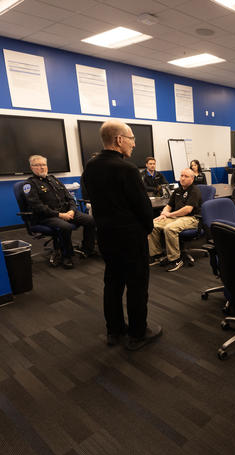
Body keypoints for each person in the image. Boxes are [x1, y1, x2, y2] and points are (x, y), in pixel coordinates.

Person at [81, 119, 161, 351]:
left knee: (112, 283)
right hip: (131, 237)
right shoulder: (127, 169)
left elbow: (90, 196)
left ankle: (114, 330)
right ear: (119, 140)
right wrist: (147, 230)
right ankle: (137, 333)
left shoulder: (91, 167)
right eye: (132, 139)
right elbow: (143, 207)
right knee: (137, 285)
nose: (134, 144)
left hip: (105, 235)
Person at [23, 154, 96, 269]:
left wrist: (72, 210)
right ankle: (67, 256)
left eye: (44, 165)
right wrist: (59, 215)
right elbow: (37, 206)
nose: (42, 167)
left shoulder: (53, 179)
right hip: (48, 217)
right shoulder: (29, 184)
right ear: (32, 167)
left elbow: (70, 197)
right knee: (65, 227)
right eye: (38, 165)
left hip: (67, 212)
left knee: (91, 220)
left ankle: (87, 248)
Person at [148, 168, 202, 272]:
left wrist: (170, 214)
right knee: (153, 224)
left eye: (186, 176)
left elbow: (187, 210)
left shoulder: (194, 190)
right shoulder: (177, 190)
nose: (182, 178)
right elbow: (169, 205)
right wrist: (164, 214)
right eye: (181, 175)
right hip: (176, 217)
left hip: (191, 218)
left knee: (170, 228)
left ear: (192, 178)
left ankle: (175, 259)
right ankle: (157, 255)